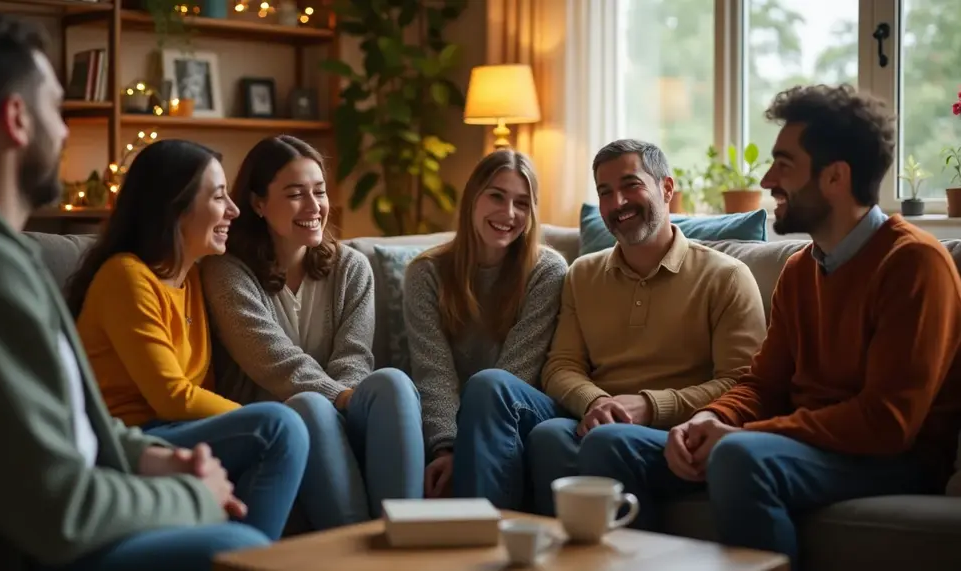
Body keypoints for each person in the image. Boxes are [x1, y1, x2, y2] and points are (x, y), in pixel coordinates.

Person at [578, 84, 961, 570]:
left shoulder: (914, 263)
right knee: (613, 443)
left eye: (785, 163)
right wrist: (709, 419)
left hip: (893, 459)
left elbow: (886, 422)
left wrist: (746, 436)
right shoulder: (802, 268)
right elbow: (763, 384)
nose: (767, 177)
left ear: (835, 177)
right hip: (798, 445)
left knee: (740, 457)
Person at [0, 10, 274, 571]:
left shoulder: (2, 254)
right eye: (54, 109)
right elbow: (60, 508)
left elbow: (81, 424)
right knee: (240, 549)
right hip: (31, 547)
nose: (62, 131)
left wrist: (161, 461)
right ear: (16, 119)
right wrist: (190, 499)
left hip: (88, 495)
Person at [454, 139, 767, 513]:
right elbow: (561, 365)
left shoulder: (727, 277)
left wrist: (649, 407)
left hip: (673, 429)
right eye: (605, 192)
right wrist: (596, 401)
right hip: (592, 421)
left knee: (563, 438)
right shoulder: (583, 274)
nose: (617, 202)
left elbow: (741, 384)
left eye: (630, 185)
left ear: (666, 189)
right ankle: (484, 539)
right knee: (500, 392)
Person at [64, 138, 310, 543]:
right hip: (131, 440)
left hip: (177, 428)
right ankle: (247, 560)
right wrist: (251, 416)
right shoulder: (127, 277)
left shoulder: (195, 274)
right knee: (280, 426)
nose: (234, 209)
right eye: (218, 197)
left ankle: (241, 547)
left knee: (283, 425)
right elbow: (172, 396)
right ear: (175, 210)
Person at [200, 135, 424, 530]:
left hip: (341, 412)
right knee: (309, 404)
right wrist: (339, 398)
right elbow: (273, 360)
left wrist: (346, 401)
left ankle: (404, 533)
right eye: (295, 194)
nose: (314, 206)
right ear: (257, 203)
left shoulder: (351, 267)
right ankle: (353, 549)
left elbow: (354, 357)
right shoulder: (226, 270)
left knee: (393, 382)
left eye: (319, 192)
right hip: (277, 425)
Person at [403, 149, 569, 500]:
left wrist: (465, 450)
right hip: (456, 422)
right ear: (472, 198)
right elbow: (433, 371)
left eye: (522, 203)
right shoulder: (426, 273)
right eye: (496, 196)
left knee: (492, 384)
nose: (508, 213)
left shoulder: (548, 271)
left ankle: (485, 531)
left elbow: (517, 373)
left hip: (523, 411)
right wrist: (446, 448)